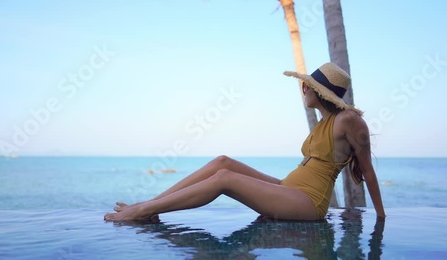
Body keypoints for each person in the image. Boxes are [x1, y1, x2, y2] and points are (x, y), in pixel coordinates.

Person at [104, 62, 386, 221]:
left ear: (319, 91)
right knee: (222, 161)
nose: (303, 88)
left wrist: (381, 217)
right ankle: (150, 204)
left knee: (225, 177)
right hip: (290, 187)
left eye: (307, 86)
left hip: (309, 202)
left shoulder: (349, 119)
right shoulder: (325, 121)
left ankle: (143, 211)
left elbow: (369, 172)